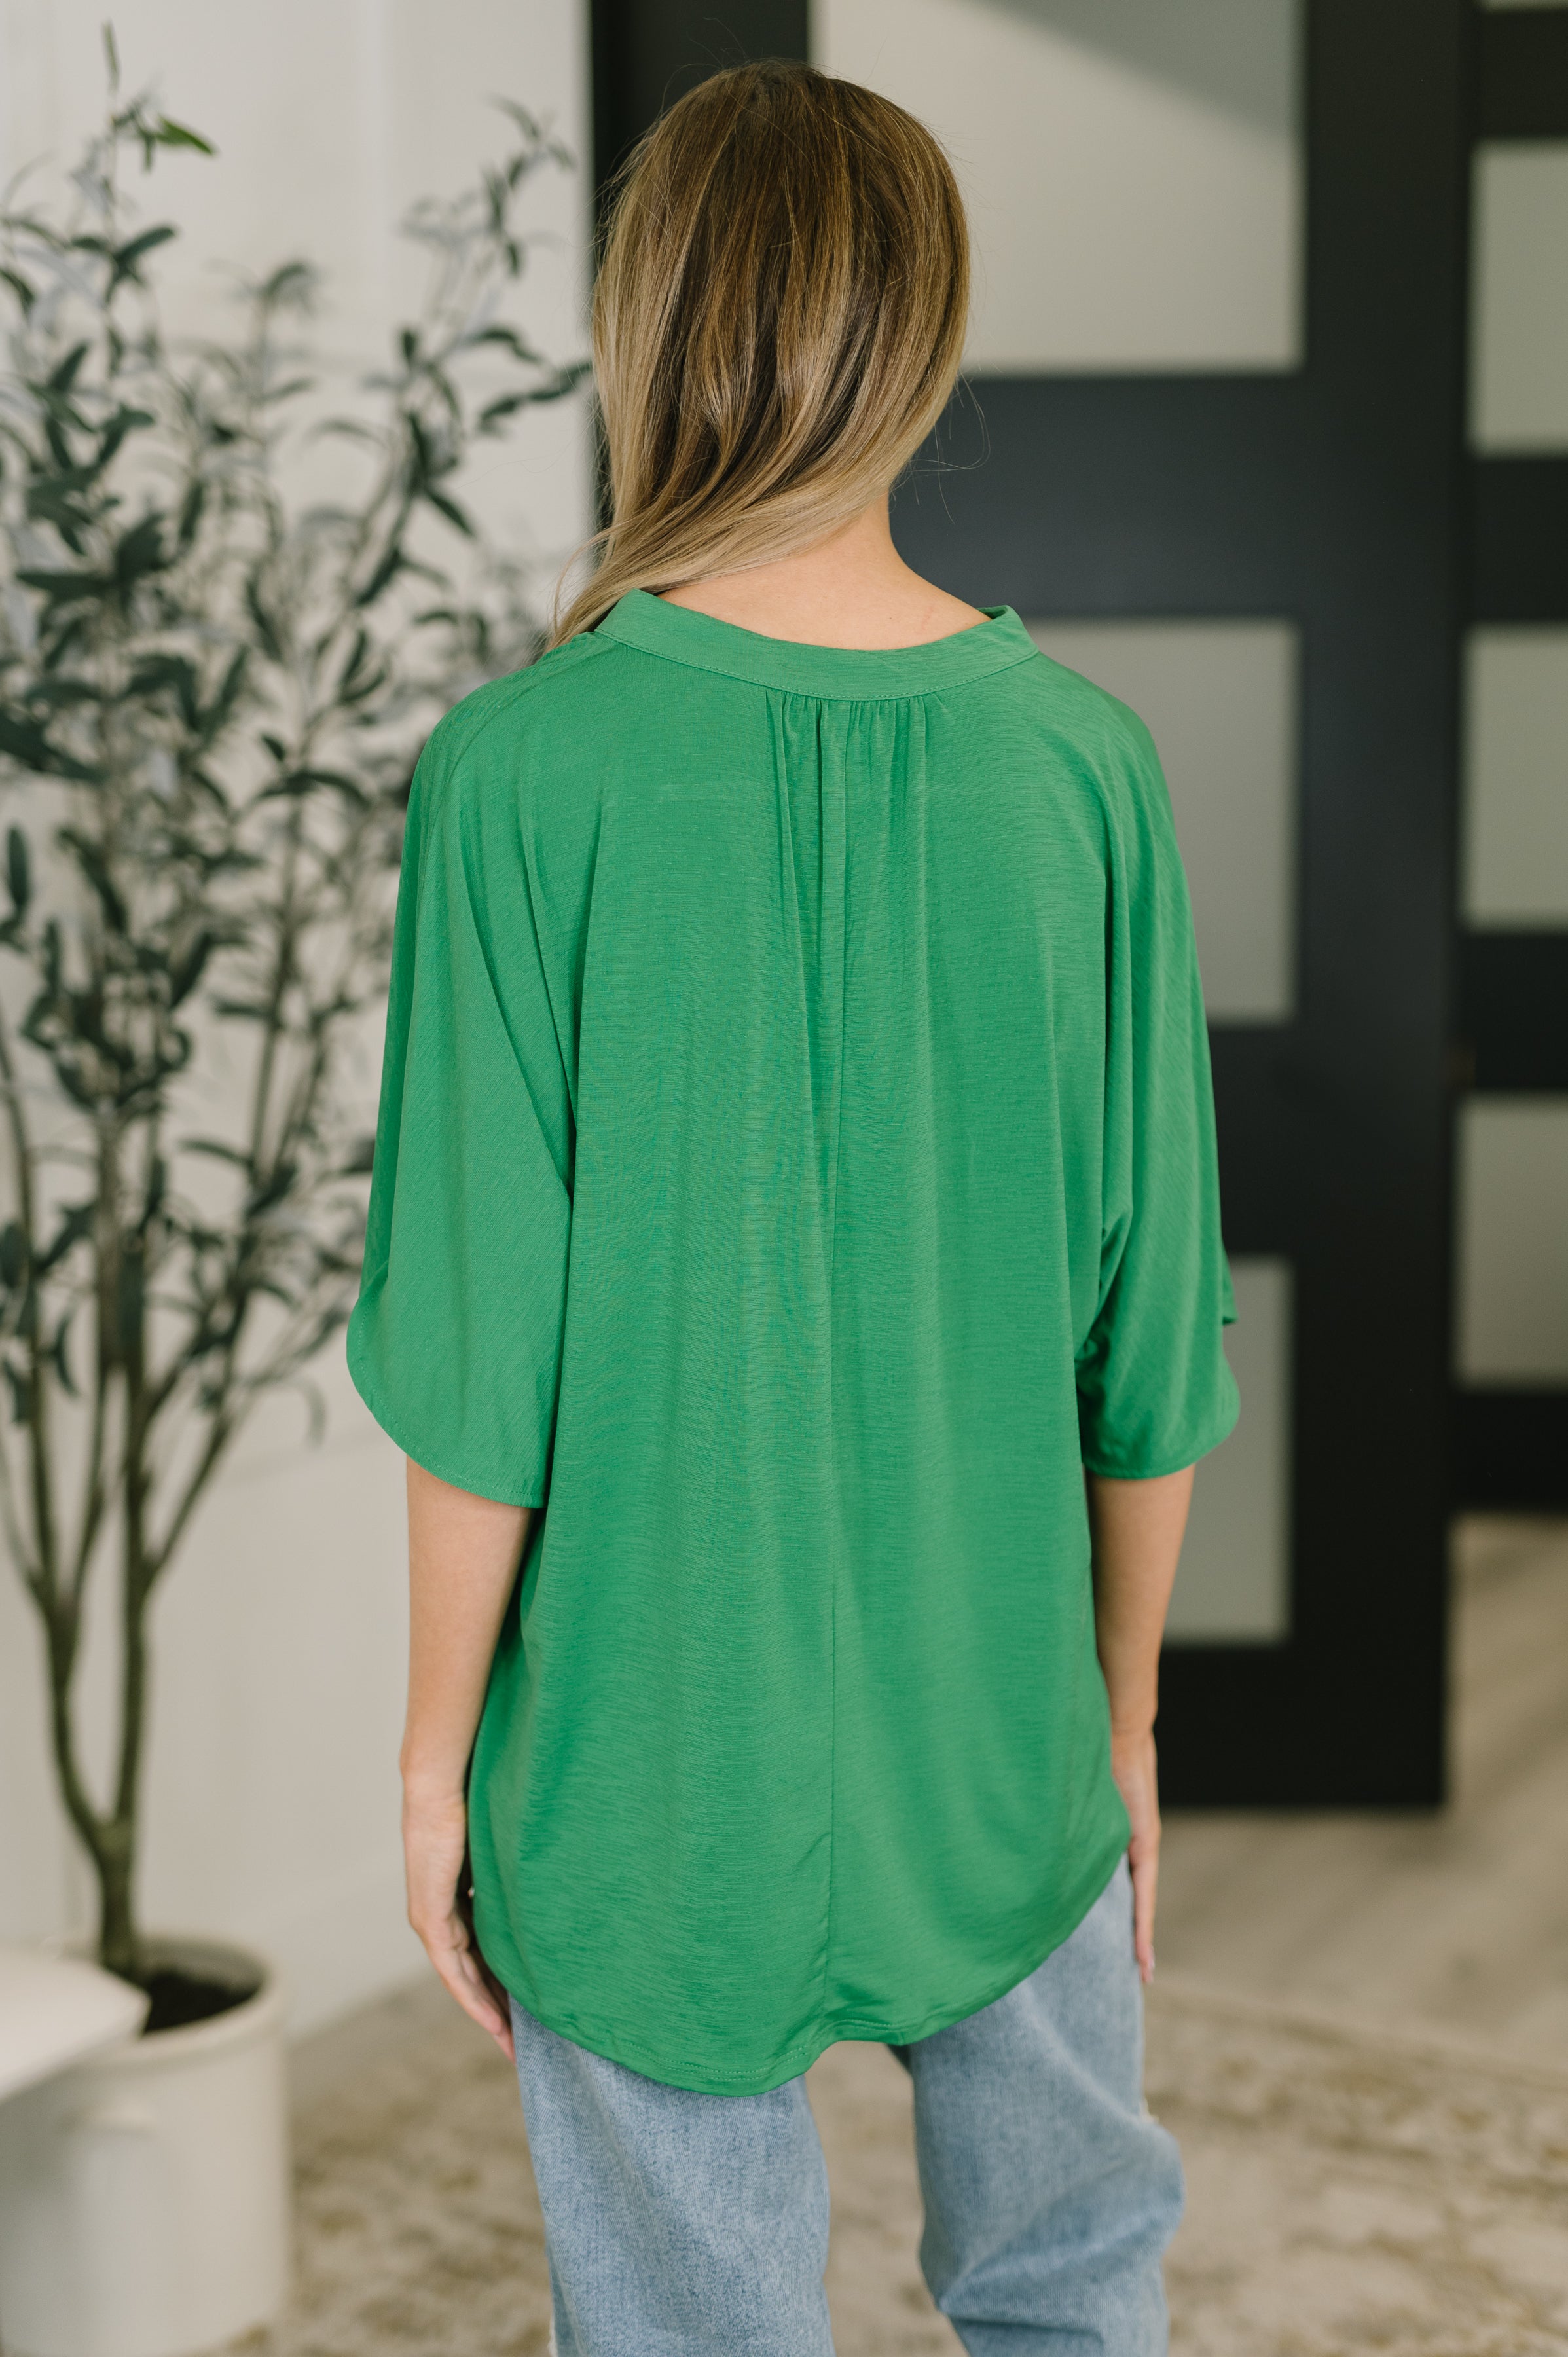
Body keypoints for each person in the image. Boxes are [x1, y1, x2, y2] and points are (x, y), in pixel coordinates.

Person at [346, 58, 1239, 2357]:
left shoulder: (516, 773)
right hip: (1002, 1724)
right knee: (1069, 2293)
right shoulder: (1084, 772)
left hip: (644, 1756)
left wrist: (437, 1764)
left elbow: (480, 1361)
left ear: (641, 329)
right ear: (919, 339)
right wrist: (1122, 1714)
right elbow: (1151, 1346)